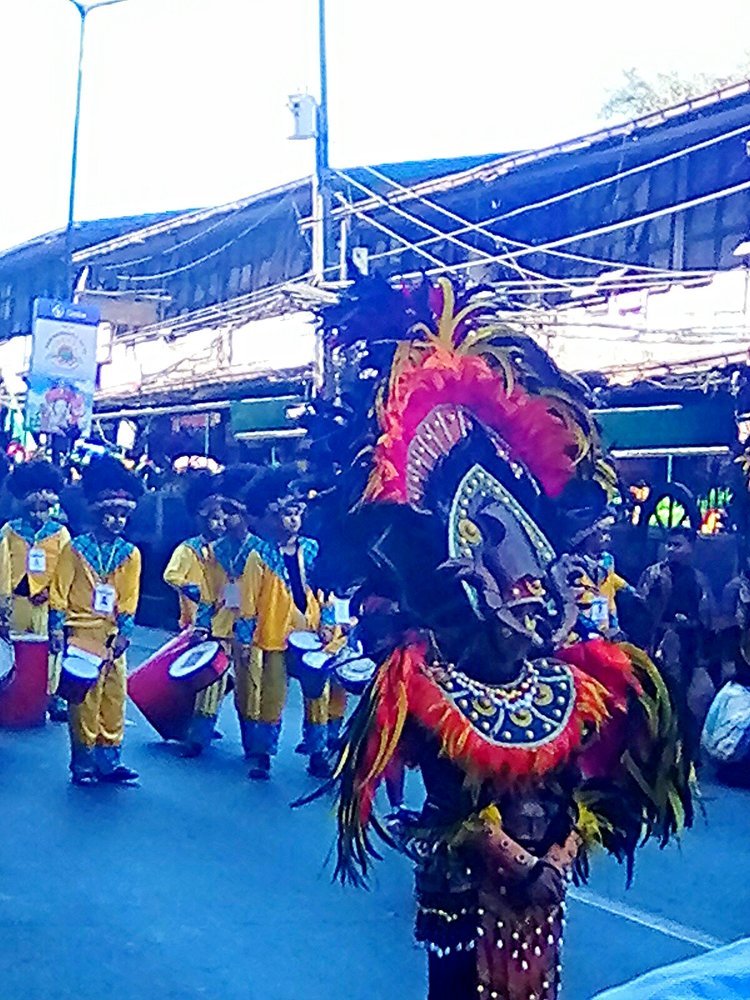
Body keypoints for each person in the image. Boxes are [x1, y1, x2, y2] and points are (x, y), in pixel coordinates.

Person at [299, 275, 693, 1000]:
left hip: (540, 897)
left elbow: (577, 790)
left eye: (540, 585)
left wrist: (560, 855)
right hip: (465, 888)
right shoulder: (426, 685)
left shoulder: (574, 680)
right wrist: (520, 861)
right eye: (511, 589)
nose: (532, 602)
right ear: (469, 587)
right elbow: (453, 806)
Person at [50, 455, 143, 786]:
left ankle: (109, 761)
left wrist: (124, 633)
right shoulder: (75, 549)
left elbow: (129, 598)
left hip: (112, 635)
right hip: (81, 633)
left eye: (123, 515)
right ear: (97, 513)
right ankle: (84, 763)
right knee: (84, 701)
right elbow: (59, 589)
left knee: (114, 697)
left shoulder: (130, 554)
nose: (117, 521)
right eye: (111, 514)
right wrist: (57, 628)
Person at [240, 468, 330, 781]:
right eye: (286, 514)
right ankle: (263, 756)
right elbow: (248, 600)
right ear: (272, 518)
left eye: (296, 514)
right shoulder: (260, 555)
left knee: (317, 695)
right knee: (272, 695)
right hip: (274, 634)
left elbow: (325, 589)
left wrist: (328, 622)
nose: (292, 520)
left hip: (311, 631)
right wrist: (245, 639)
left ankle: (318, 754)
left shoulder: (313, 549)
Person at [162, 470, 228, 756]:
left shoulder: (231, 550)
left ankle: (201, 731)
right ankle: (195, 731)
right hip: (194, 625)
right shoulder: (188, 549)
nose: (220, 523)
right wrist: (193, 590)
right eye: (214, 518)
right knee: (198, 680)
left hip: (225, 625)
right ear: (201, 518)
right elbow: (171, 575)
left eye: (223, 518)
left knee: (216, 681)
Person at [0, 460, 71, 721]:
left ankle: (51, 697)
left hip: (45, 604)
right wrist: (3, 602)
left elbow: (65, 572)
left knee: (50, 652)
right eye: (34, 509)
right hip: (15, 602)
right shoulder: (10, 531)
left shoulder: (60, 533)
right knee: (10, 651)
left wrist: (52, 595)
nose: (39, 514)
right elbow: (2, 568)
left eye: (44, 509)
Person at [196, 465, 259, 759]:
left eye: (230, 512)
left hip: (254, 630)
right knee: (209, 684)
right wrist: (202, 624)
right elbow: (209, 590)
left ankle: (255, 746)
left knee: (251, 688)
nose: (224, 519)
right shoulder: (216, 550)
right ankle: (199, 738)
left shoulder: (261, 550)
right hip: (221, 624)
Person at [639, 527, 715, 755]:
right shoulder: (653, 574)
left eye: (677, 545)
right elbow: (639, 609)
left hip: (688, 648)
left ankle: (685, 750)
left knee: (686, 701)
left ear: (691, 547)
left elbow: (707, 618)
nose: (671, 549)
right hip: (657, 643)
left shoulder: (699, 579)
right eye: (669, 544)